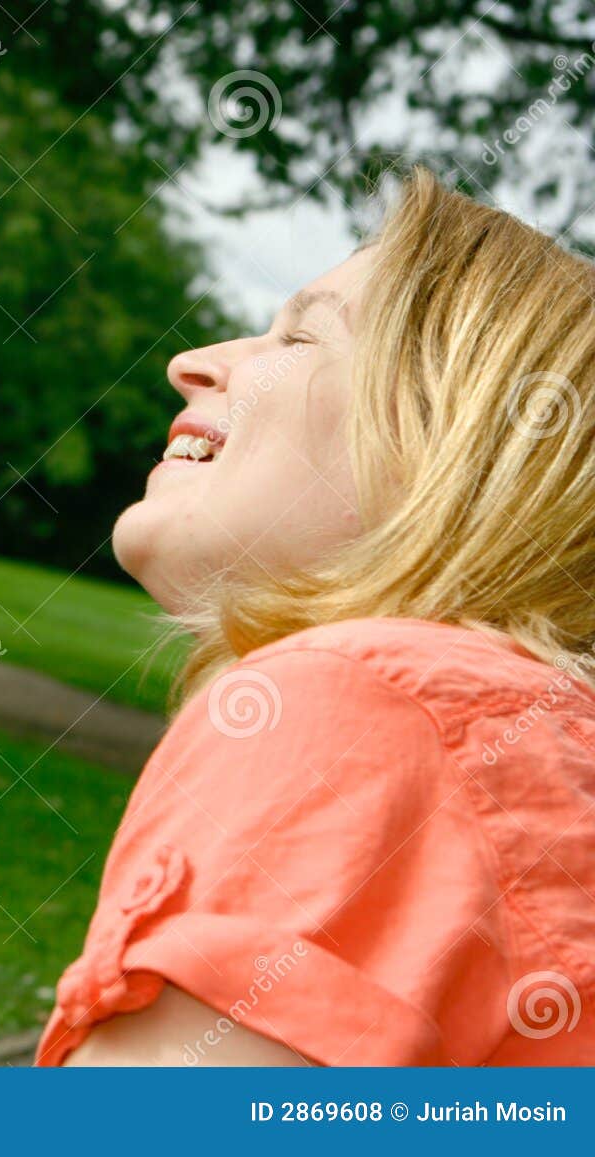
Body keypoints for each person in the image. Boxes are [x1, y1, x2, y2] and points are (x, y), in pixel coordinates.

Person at [39, 166, 595, 1066]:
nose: (191, 363)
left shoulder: (360, 705)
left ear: (445, 447)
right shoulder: (544, 744)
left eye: (298, 334)